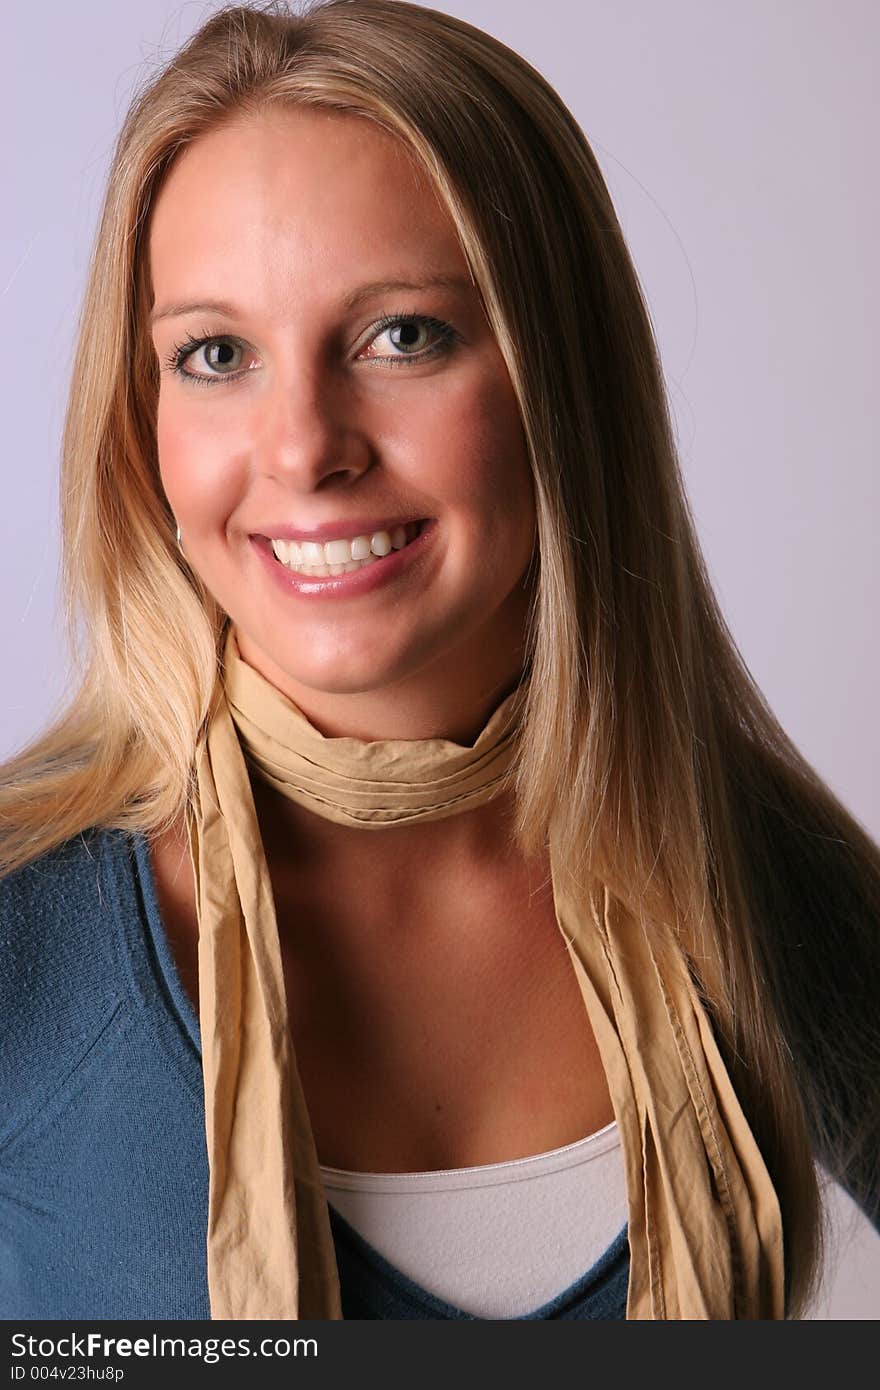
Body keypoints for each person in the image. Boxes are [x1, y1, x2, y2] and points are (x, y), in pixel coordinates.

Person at [1, 0, 877, 1322]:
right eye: (216, 354)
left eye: (401, 333)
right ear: (144, 421)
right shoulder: (26, 925)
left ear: (560, 381)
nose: (304, 448)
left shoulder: (773, 888)